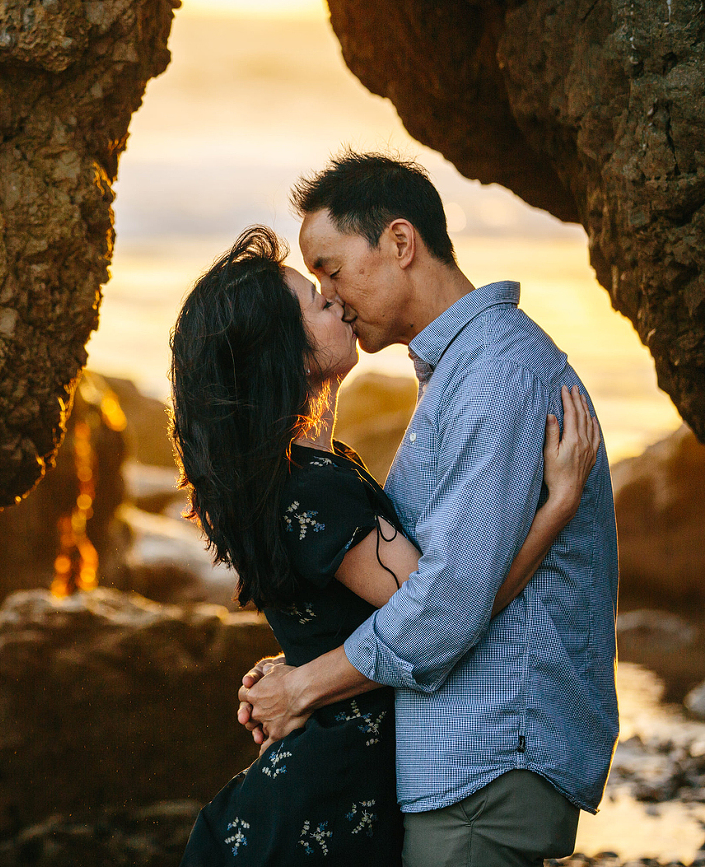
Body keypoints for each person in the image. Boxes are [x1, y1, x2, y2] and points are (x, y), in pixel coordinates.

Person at [172, 223, 601, 866]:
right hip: (333, 795)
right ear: (283, 354)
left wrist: (297, 672)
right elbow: (444, 606)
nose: (335, 300)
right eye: (316, 300)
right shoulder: (314, 489)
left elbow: (364, 610)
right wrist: (557, 508)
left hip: (336, 776)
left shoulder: (304, 475)